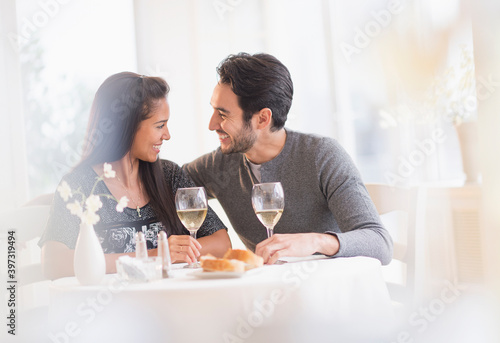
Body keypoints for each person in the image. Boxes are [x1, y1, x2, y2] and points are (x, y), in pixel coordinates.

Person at [183, 53, 393, 265]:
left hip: (329, 292)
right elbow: (165, 183)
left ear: (263, 118)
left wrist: (316, 242)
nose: (211, 124)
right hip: (264, 294)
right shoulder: (218, 166)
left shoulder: (322, 156)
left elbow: (380, 243)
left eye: (223, 114)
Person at [39, 72, 231, 280]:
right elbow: (53, 263)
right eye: (160, 126)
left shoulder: (170, 175)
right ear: (126, 127)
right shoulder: (82, 185)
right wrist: (154, 256)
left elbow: (222, 243)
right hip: (113, 309)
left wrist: (173, 253)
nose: (167, 135)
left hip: (170, 302)